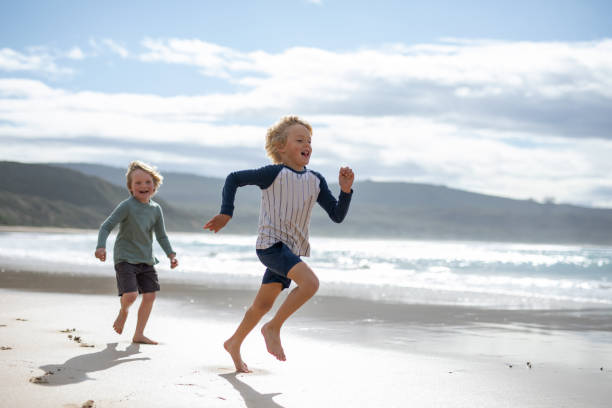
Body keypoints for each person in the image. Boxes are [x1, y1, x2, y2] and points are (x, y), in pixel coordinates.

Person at [204, 116, 354, 372]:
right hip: (271, 246)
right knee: (310, 283)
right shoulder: (273, 173)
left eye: (309, 141)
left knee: (262, 305)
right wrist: (226, 212)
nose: (306, 144)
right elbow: (233, 178)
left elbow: (337, 216)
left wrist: (346, 190)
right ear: (281, 146)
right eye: (299, 140)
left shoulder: (315, 180)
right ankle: (272, 327)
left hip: (289, 251)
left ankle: (234, 342)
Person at [95, 160, 178, 345]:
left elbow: (161, 236)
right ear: (131, 188)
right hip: (125, 257)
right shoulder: (127, 206)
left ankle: (139, 334)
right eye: (138, 183)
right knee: (131, 295)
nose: (143, 186)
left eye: (148, 182)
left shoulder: (156, 209)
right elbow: (106, 226)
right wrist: (101, 246)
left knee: (150, 295)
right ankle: (123, 311)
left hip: (146, 260)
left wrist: (171, 254)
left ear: (154, 185)